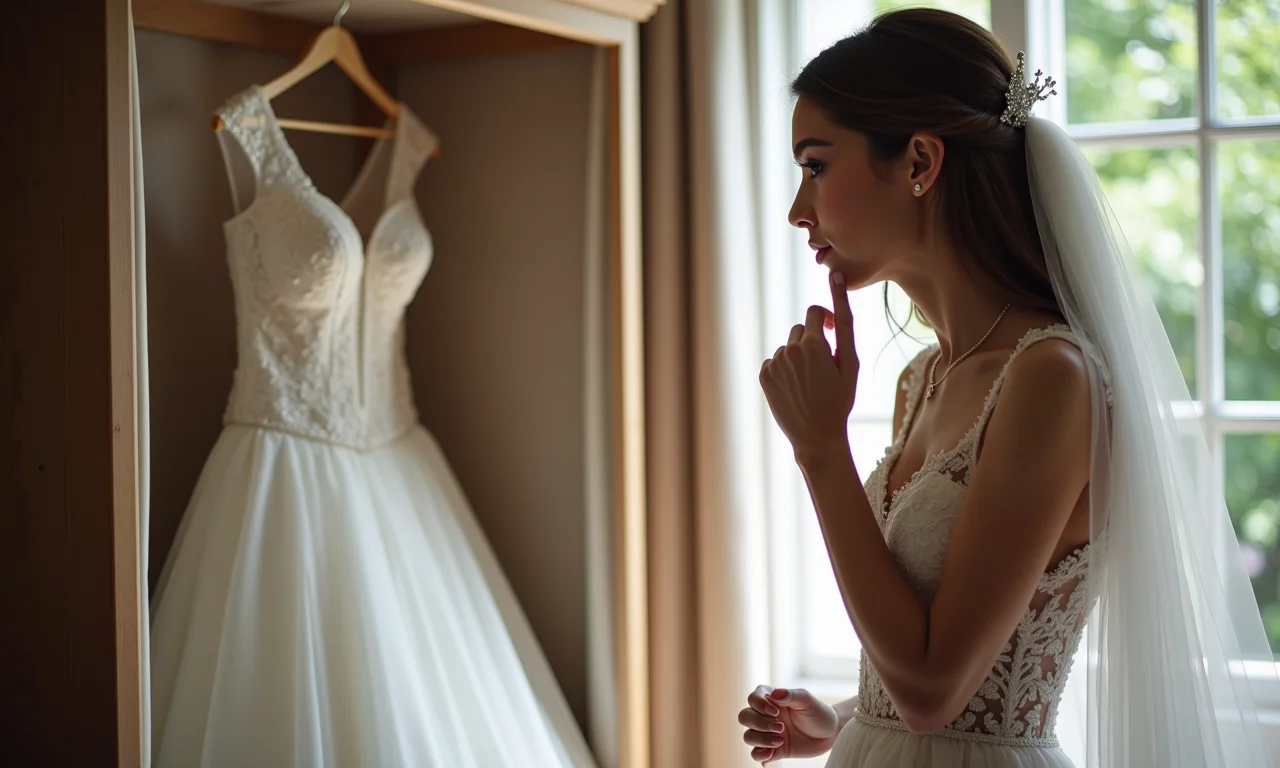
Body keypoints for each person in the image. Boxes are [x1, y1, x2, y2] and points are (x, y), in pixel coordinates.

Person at [742, 9, 1277, 768]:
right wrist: (844, 718)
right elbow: (935, 665)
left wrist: (821, 451)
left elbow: (936, 694)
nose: (799, 210)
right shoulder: (921, 379)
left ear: (920, 161)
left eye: (817, 165)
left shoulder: (1051, 378)